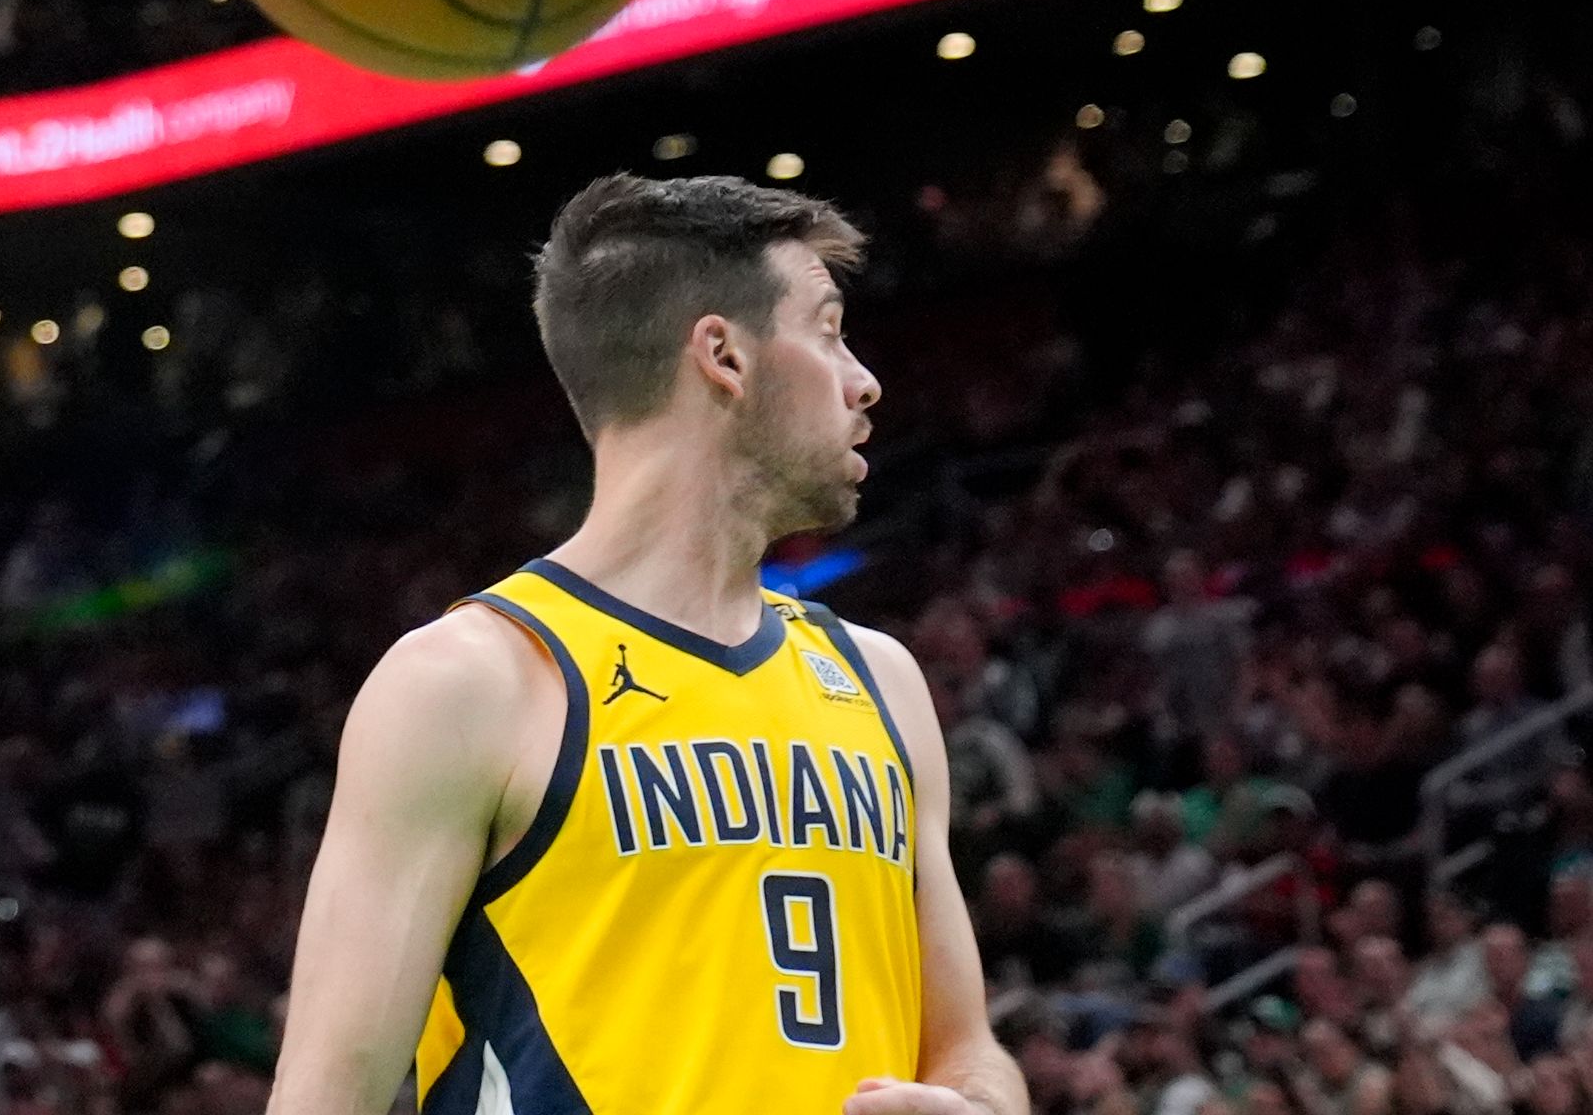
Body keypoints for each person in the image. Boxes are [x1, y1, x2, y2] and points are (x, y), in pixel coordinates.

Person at [264, 172, 1028, 1115]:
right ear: (724, 356)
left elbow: (967, 1049)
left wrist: (980, 1107)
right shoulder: (471, 685)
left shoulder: (882, 681)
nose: (864, 378)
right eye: (827, 330)